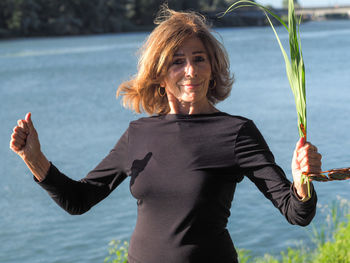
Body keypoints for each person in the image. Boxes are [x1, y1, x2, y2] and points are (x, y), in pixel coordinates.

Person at [10, 6, 322, 263]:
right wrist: (34, 158)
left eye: (199, 59)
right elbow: (79, 199)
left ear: (212, 68)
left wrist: (300, 182)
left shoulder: (236, 132)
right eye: (177, 61)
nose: (191, 71)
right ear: (159, 74)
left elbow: (296, 213)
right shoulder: (138, 133)